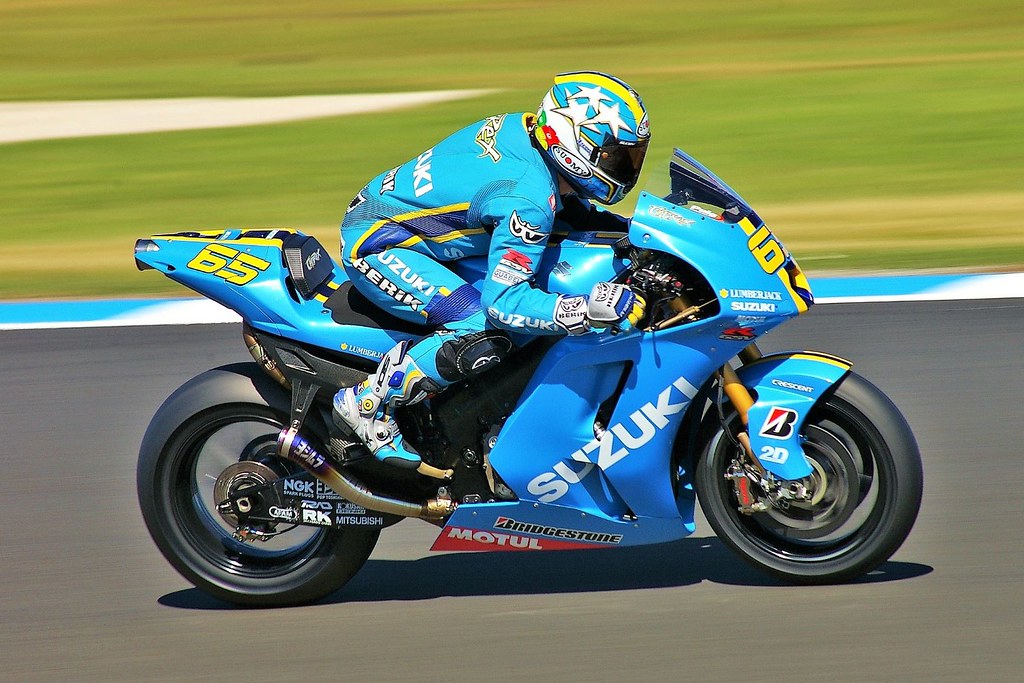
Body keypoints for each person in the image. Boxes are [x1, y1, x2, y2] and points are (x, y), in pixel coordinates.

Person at [333, 71, 650, 469]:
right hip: (379, 244)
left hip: (398, 214)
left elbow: (574, 212)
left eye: (633, 157)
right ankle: (369, 401)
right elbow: (503, 303)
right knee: (488, 327)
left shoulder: (526, 131)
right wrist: (584, 309)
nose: (626, 169)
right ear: (574, 143)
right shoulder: (528, 197)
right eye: (616, 157)